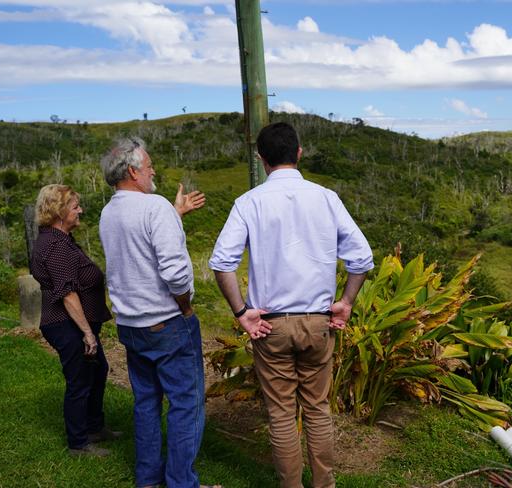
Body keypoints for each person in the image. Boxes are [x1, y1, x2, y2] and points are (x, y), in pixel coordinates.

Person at [209, 122, 374, 488]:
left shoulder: (249, 202)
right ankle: (324, 484)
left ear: (261, 159)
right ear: (299, 153)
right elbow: (361, 258)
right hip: (318, 322)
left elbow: (222, 263)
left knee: (282, 414)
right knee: (317, 409)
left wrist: (242, 314)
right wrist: (345, 302)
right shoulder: (327, 197)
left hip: (271, 324)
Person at [98, 137, 217, 488]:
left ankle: (148, 479)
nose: (154, 171)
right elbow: (174, 271)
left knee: (146, 402)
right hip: (167, 322)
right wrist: (186, 306)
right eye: (149, 166)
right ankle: (182, 482)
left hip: (130, 324)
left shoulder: (109, 212)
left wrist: (174, 213)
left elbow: (137, 250)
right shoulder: (154, 207)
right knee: (186, 404)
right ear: (133, 171)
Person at [31, 184, 119, 457]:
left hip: (76, 323)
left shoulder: (62, 240)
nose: (80, 210)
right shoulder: (55, 246)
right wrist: (87, 334)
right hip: (65, 323)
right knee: (80, 379)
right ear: (59, 211)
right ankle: (78, 443)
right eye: (74, 206)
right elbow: (67, 294)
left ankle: (94, 426)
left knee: (97, 370)